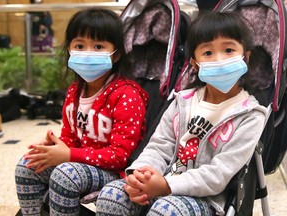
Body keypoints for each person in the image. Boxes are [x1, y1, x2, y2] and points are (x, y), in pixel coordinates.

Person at [95, 11, 268, 216]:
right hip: (161, 183)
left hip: (206, 199)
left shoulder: (251, 115)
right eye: (208, 53)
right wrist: (140, 174)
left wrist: (166, 185)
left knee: (165, 210)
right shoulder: (182, 101)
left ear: (246, 57)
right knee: (111, 195)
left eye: (228, 50)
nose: (219, 59)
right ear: (195, 64)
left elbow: (218, 174)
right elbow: (159, 147)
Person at [15, 8, 148, 216]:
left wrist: (68, 154)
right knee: (27, 165)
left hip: (115, 172)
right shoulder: (74, 91)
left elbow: (120, 156)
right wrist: (54, 147)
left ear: (116, 54)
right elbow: (70, 137)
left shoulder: (127, 95)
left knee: (64, 174)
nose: (88, 53)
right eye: (79, 45)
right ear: (69, 49)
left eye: (98, 46)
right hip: (80, 163)